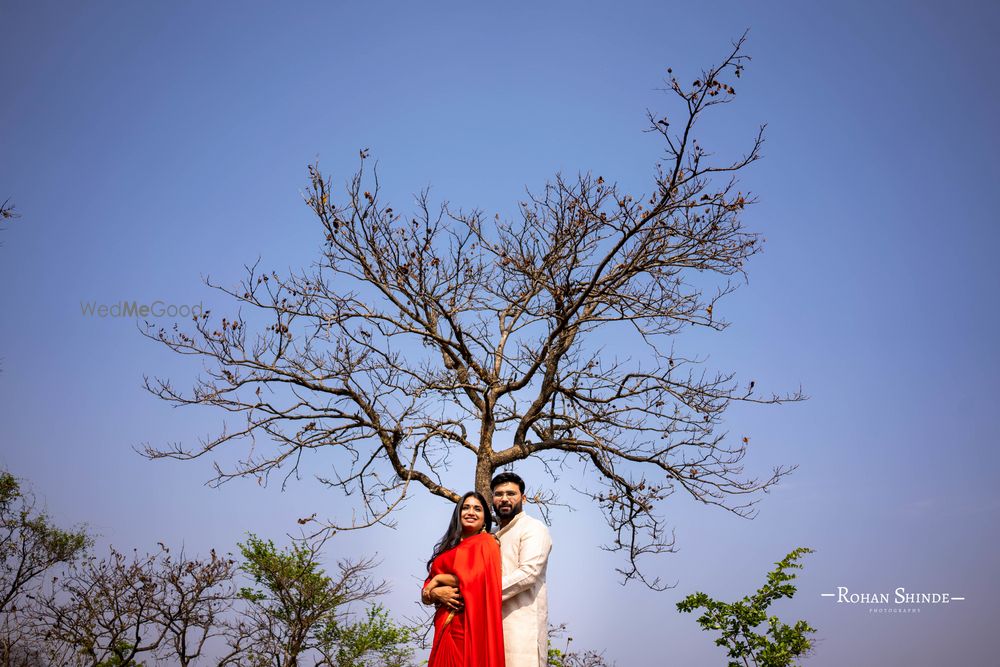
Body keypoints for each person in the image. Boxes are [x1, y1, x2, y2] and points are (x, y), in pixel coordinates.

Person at [423, 491, 506, 667]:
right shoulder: (447, 547)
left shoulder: (487, 543)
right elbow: (425, 594)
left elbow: (480, 577)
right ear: (458, 513)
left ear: (485, 519)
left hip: (467, 625)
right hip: (444, 624)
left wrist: (438, 580)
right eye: (466, 507)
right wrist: (436, 593)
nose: (471, 512)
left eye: (477, 509)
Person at [491, 472, 552, 667]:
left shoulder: (533, 528)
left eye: (511, 493)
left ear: (523, 498)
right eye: (499, 494)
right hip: (490, 629)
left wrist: (480, 594)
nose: (505, 499)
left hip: (522, 631)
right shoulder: (490, 535)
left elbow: (528, 574)